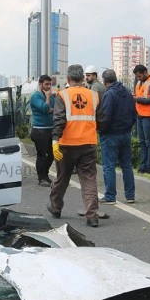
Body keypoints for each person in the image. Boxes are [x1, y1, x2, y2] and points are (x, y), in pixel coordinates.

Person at [46, 64, 104, 227]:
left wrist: (55, 141)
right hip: (88, 143)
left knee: (62, 177)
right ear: (83, 78)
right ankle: (92, 216)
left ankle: (56, 208)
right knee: (89, 180)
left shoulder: (62, 95)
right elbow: (101, 120)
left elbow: (59, 120)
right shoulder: (94, 96)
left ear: (69, 78)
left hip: (67, 144)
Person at [98, 69, 136, 204]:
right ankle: (130, 195)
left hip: (111, 135)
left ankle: (110, 196)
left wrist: (102, 130)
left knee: (109, 166)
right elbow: (134, 113)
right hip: (126, 134)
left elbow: (106, 117)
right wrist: (128, 127)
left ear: (104, 80)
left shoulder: (109, 94)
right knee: (127, 165)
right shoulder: (127, 92)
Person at [132, 64, 150, 174]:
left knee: (149, 142)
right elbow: (139, 96)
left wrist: (137, 99)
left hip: (149, 116)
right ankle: (143, 165)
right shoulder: (140, 82)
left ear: (145, 72)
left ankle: (149, 166)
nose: (138, 78)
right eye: (136, 77)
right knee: (142, 142)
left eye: (139, 76)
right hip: (140, 115)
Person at [30, 75, 55, 186]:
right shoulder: (36, 96)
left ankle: (45, 174)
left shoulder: (51, 97)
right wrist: (48, 99)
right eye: (46, 84)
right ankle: (41, 178)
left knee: (52, 155)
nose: (49, 86)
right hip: (40, 130)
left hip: (50, 130)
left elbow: (55, 108)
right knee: (42, 156)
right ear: (40, 84)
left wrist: (49, 107)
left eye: (50, 84)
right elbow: (45, 108)